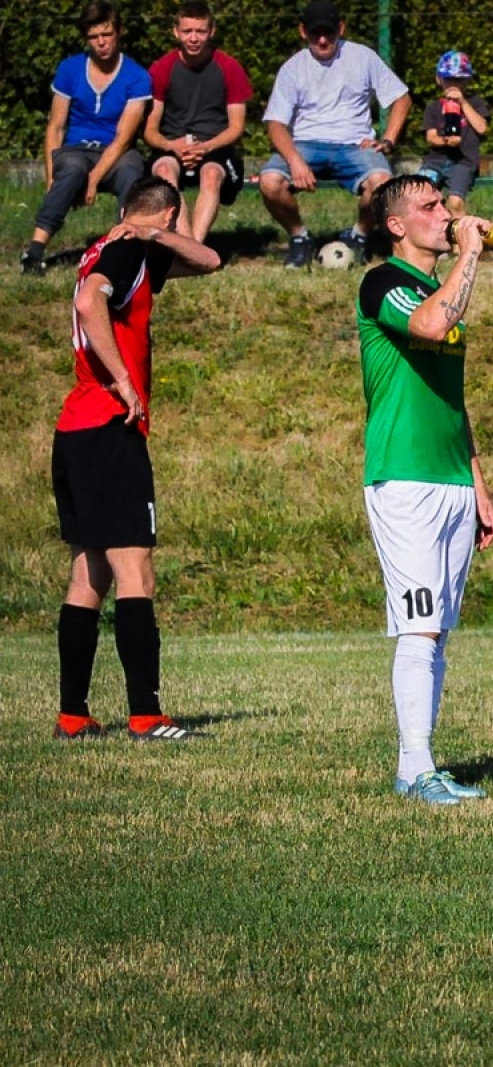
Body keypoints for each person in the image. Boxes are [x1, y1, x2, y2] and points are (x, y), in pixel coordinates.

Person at [51, 176, 222, 741]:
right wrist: (124, 380)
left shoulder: (118, 246)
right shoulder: (126, 253)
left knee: (89, 572)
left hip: (74, 428)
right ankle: (146, 715)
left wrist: (158, 234)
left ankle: (73, 714)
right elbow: (88, 300)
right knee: (135, 571)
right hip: (108, 425)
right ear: (173, 214)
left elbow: (209, 259)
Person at [358, 174, 493, 804]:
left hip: (449, 481)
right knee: (417, 626)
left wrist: (478, 483)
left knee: (436, 629)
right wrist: (469, 252)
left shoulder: (434, 285)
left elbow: (452, 400)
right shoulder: (383, 281)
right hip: (405, 477)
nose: (445, 213)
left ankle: (421, 764)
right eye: (430, 206)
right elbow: (432, 327)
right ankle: (415, 770)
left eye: (445, 203)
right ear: (396, 225)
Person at [260, 0, 410, 268]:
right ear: (302, 31)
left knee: (383, 185)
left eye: (329, 32)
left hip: (355, 144)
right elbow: (275, 123)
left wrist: (388, 140)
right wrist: (295, 160)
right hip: (305, 143)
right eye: (315, 32)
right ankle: (299, 237)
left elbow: (401, 98)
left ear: (341, 28)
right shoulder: (292, 68)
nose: (322, 39)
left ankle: (359, 236)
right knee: (270, 182)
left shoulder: (363, 57)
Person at [20, 2, 150, 276]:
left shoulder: (137, 76)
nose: (101, 43)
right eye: (94, 37)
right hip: (77, 148)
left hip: (115, 151)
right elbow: (55, 127)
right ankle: (34, 251)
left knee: (131, 169)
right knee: (72, 167)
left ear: (118, 33)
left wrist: (93, 180)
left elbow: (124, 137)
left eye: (106, 34)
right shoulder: (70, 70)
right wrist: (51, 178)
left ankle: (123, 249)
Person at [143, 1, 253, 245]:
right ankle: (185, 244)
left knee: (211, 174)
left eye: (200, 31)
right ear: (176, 32)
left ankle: (195, 248)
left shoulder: (229, 68)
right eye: (187, 31)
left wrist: (205, 147)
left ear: (211, 31)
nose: (194, 38)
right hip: (171, 147)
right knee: (163, 171)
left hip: (216, 149)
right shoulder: (161, 69)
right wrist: (173, 146)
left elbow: (236, 128)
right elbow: (150, 132)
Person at [417, 51, 489, 218]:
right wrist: (446, 141)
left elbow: (482, 128)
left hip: (463, 162)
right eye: (449, 79)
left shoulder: (475, 103)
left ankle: (462, 240)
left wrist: (462, 102)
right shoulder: (434, 107)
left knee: (455, 202)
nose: (454, 84)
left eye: (459, 80)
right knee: (418, 196)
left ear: (467, 80)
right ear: (439, 79)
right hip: (435, 162)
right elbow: (431, 137)